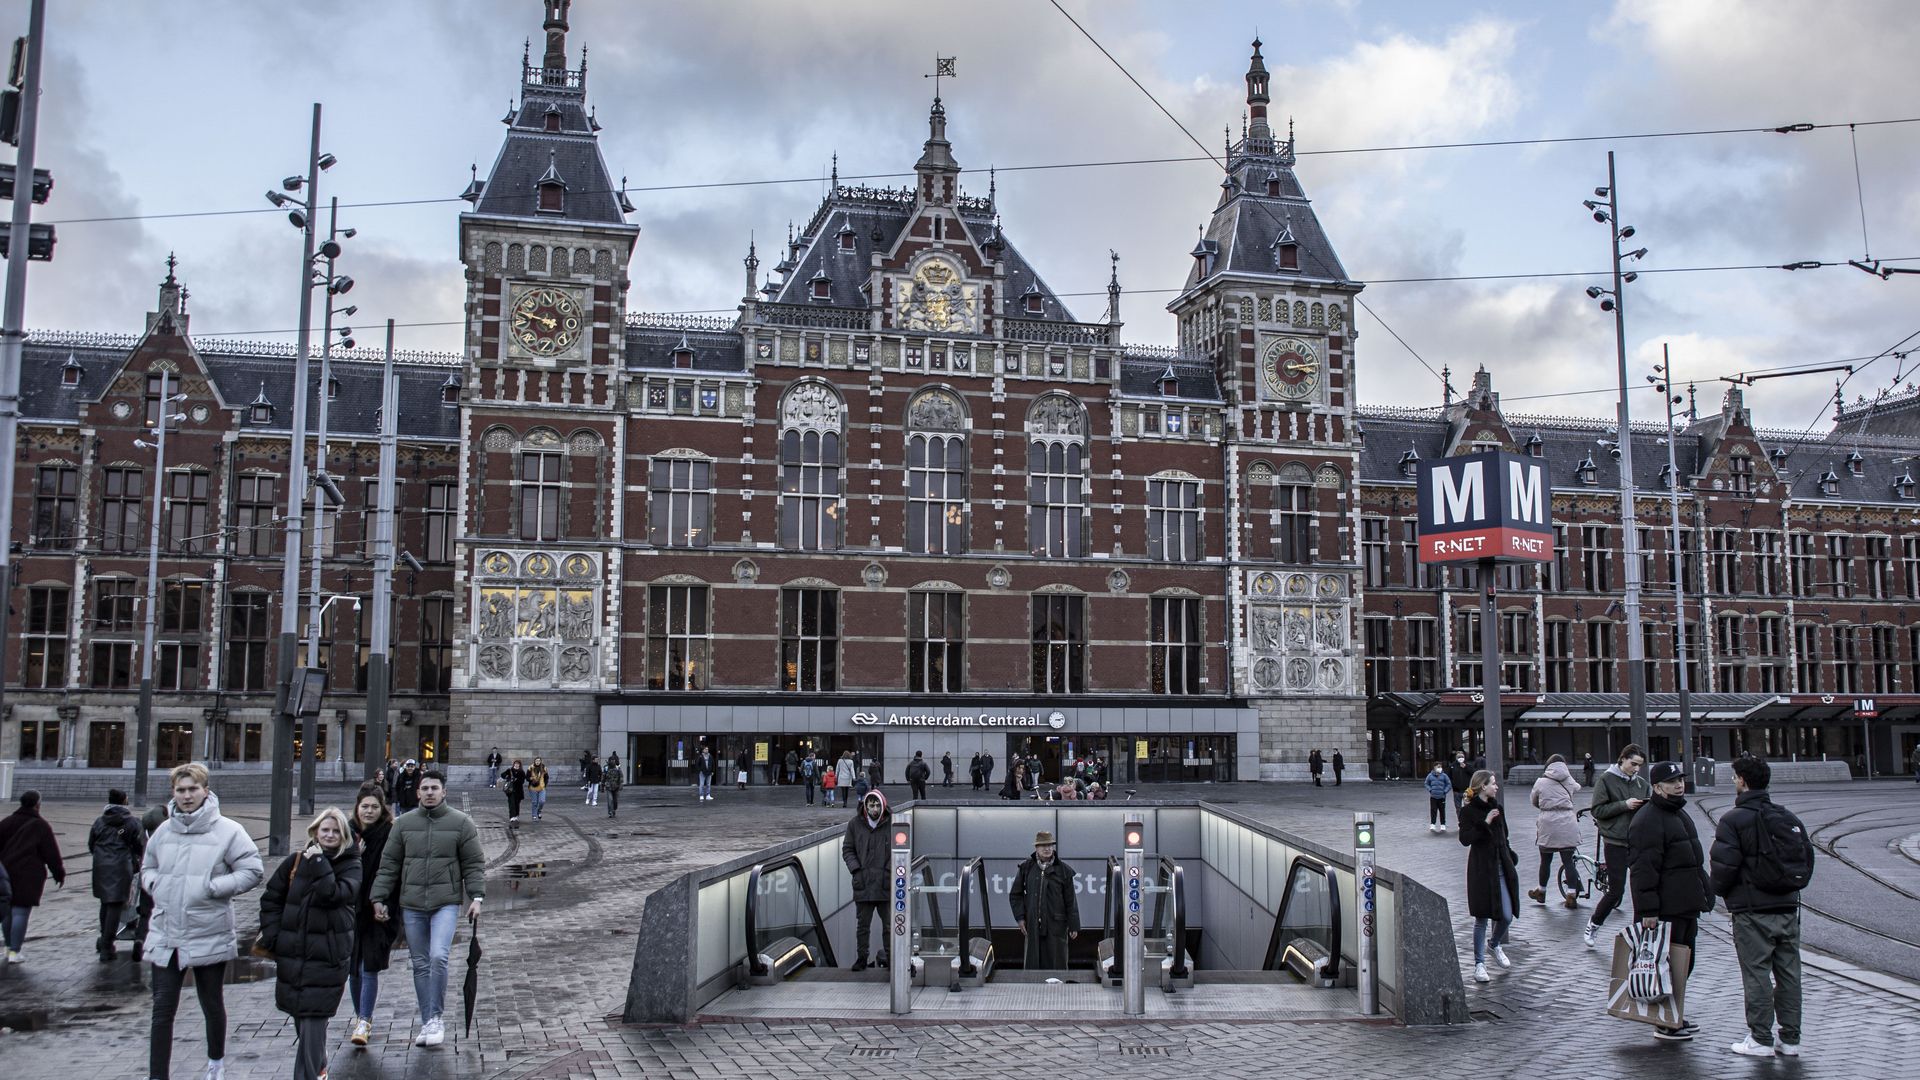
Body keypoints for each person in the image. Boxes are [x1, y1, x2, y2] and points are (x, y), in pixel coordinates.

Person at [143, 762, 265, 1080]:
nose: (186, 796)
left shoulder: (228, 830)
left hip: (208, 928)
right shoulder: (163, 831)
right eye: (180, 790)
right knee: (162, 1007)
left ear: (205, 791)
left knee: (211, 1002)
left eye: (192, 789)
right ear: (173, 793)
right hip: (166, 931)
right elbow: (147, 866)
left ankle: (215, 1064)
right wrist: (156, 884)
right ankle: (157, 1075)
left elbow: (252, 870)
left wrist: (214, 888)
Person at [371, 769, 485, 1049]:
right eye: (425, 788)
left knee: (438, 956)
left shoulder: (461, 823)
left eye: (435, 788)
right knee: (420, 963)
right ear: (418, 792)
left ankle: (436, 1018)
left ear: (444, 792)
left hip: (445, 902)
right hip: (411, 903)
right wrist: (379, 897)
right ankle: (428, 1020)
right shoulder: (403, 824)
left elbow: (473, 863)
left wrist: (476, 897)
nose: (430, 792)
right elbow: (389, 865)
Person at [1711, 757, 1809, 1058]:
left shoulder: (1733, 819)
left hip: (1752, 911)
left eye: (1734, 777)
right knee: (1789, 974)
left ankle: (1760, 1039)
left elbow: (1724, 867)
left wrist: (1720, 892)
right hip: (1787, 907)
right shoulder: (1787, 816)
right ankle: (1790, 1039)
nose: (1734, 782)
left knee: (1757, 975)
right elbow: (1805, 858)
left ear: (1742, 780)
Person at [260, 807, 362, 1080]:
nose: (329, 835)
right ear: (315, 832)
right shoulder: (295, 861)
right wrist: (274, 936)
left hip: (328, 957)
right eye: (324, 830)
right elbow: (271, 899)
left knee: (313, 1021)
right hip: (294, 956)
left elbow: (333, 894)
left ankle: (310, 1074)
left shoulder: (351, 864)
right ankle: (320, 1068)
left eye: (335, 831)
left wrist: (318, 862)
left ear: (344, 836)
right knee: (302, 1021)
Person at [1628, 760, 1711, 1041]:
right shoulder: (1648, 820)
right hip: (1666, 908)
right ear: (1657, 787)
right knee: (1664, 967)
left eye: (1680, 780)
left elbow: (1693, 860)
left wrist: (1705, 892)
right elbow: (1643, 869)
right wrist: (1648, 910)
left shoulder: (1678, 813)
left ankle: (1673, 1015)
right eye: (1672, 782)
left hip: (1686, 904)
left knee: (1683, 963)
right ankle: (1664, 1022)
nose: (1678, 785)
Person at [1583, 744, 1650, 948]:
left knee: (1641, 890)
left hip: (1637, 842)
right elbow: (1597, 810)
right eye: (1633, 764)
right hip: (1615, 842)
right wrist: (1624, 805)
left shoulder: (1642, 784)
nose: (1636, 769)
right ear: (1622, 759)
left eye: (1639, 765)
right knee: (1616, 891)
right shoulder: (1606, 780)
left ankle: (1639, 934)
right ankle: (1594, 923)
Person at [347, 783, 398, 1048]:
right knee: (353, 967)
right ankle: (360, 1017)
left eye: (374, 807)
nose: (369, 811)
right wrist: (354, 854)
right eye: (364, 806)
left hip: (380, 908)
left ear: (382, 808)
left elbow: (393, 871)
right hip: (351, 909)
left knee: (368, 965)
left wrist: (384, 901)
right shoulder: (347, 832)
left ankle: (364, 1020)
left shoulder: (390, 833)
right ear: (357, 807)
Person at [1458, 770, 1518, 984]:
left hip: (1501, 867)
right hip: (1482, 869)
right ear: (1483, 786)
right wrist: (1485, 822)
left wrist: (1509, 855)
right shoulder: (1468, 811)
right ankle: (1479, 964)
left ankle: (1494, 944)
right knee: (1481, 918)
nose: (1496, 786)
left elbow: (1504, 836)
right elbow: (1465, 839)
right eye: (1493, 783)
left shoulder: (1497, 808)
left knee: (1507, 915)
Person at [0, 789, 65, 963]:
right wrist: (58, 873)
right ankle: (15, 952)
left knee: (7, 912)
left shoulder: (6, 822)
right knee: (21, 912)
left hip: (5, 872)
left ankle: (8, 948)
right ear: (37, 805)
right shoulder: (41, 826)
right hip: (29, 874)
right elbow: (51, 853)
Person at [1009, 830, 1080, 970]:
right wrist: (1020, 918)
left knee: (1056, 964)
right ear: (1036, 847)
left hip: (1056, 925)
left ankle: (1058, 985)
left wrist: (1074, 925)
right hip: (1032, 924)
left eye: (1050, 845)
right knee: (1033, 964)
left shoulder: (1063, 870)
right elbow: (1015, 894)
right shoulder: (1026, 867)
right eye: (1043, 845)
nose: (1047, 848)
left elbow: (1070, 900)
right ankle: (1032, 985)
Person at [88, 787, 144, 961]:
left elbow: (91, 844)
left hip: (101, 865)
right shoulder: (132, 822)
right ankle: (107, 946)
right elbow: (139, 846)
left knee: (105, 902)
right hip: (121, 866)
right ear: (125, 801)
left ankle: (104, 939)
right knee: (115, 904)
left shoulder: (99, 821)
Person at [840, 791, 893, 971]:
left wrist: (888, 871)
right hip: (863, 883)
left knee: (889, 925)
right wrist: (856, 870)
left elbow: (899, 849)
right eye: (871, 805)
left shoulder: (892, 823)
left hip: (885, 884)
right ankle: (862, 958)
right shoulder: (854, 824)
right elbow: (847, 849)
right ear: (865, 806)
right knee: (863, 926)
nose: (875, 809)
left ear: (883, 805)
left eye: (878, 805)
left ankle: (891, 958)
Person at [1528, 755, 1583, 907]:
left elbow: (1533, 800)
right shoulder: (1569, 780)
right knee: (1568, 861)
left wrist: (1546, 806)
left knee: (1545, 861)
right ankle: (1571, 895)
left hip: (1548, 823)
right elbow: (1577, 788)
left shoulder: (1541, 782)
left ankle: (1541, 891)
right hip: (1567, 821)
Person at [1425, 762, 1453, 833]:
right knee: (1433, 810)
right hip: (1433, 796)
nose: (1439, 768)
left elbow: (1449, 784)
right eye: (1438, 767)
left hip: (1442, 796)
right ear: (1434, 767)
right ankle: (1432, 824)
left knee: (1442, 811)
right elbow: (1426, 783)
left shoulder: (1444, 776)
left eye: (1440, 766)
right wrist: (1430, 790)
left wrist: (1445, 791)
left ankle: (1443, 825)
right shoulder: (1430, 775)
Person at [501, 758, 529, 822]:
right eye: (515, 764)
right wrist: (507, 777)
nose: (516, 765)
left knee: (517, 804)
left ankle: (516, 815)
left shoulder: (522, 772)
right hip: (510, 790)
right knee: (511, 804)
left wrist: (516, 780)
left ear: (519, 765)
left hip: (518, 791)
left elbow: (522, 781)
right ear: (513, 764)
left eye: (518, 764)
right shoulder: (510, 770)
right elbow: (502, 775)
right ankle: (512, 816)